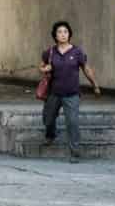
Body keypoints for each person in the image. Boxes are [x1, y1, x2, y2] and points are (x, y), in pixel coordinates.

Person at [39, 20, 101, 163]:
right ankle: (51, 135)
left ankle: (74, 152)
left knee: (72, 122)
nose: (63, 34)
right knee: (48, 118)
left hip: (72, 94)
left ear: (69, 34)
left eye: (65, 32)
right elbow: (41, 66)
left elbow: (86, 69)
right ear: (55, 35)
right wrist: (44, 69)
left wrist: (95, 85)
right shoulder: (50, 52)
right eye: (60, 32)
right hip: (53, 93)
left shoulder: (77, 52)